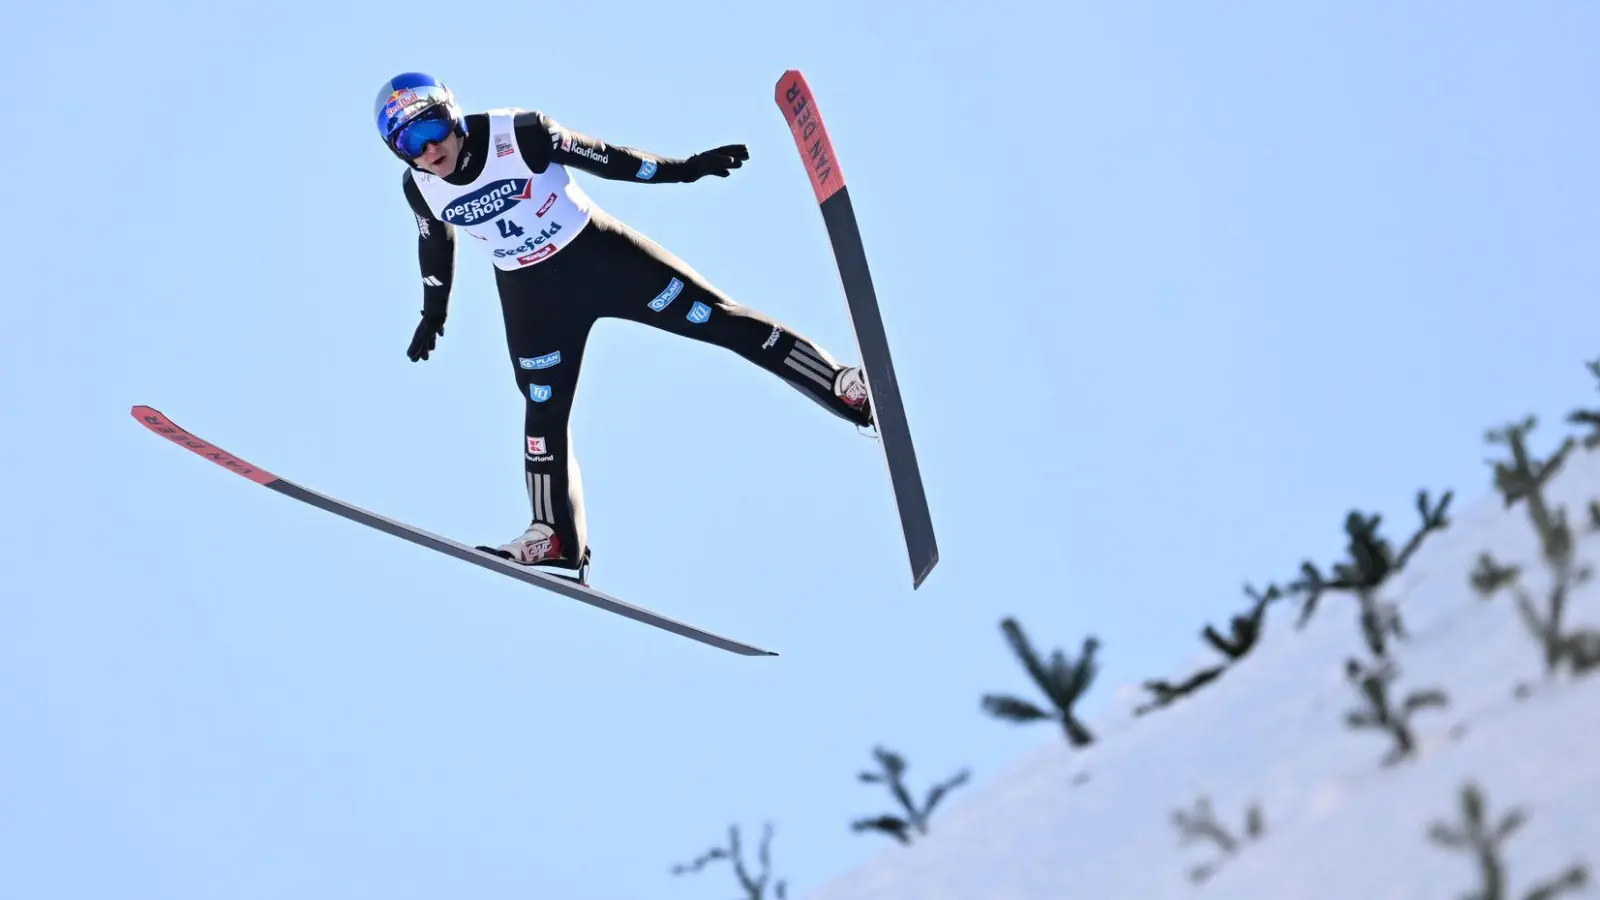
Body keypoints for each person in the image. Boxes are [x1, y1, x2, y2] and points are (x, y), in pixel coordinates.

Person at [374, 72, 874, 580]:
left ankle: (841, 387)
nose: (429, 147)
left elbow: (610, 158)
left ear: (452, 113)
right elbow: (434, 244)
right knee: (542, 410)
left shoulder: (519, 133)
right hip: (533, 299)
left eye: (431, 127)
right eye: (409, 142)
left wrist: (684, 170)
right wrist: (433, 313)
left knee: (718, 319)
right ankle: (555, 536)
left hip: (602, 261)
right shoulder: (419, 187)